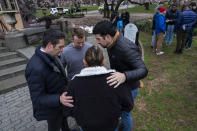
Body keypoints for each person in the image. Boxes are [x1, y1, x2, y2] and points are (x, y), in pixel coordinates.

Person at [93, 20, 148, 131]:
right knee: (119, 111)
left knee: (125, 113)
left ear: (107, 36)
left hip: (130, 87)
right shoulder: (111, 42)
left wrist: (124, 76)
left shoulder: (125, 48)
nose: (97, 42)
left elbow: (143, 70)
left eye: (98, 39)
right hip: (123, 85)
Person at [66, 45, 133, 131]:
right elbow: (128, 104)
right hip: (110, 125)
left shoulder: (74, 83)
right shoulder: (116, 78)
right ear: (103, 62)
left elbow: (68, 108)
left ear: (84, 62)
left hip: (86, 126)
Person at [25, 29, 73, 131]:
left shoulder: (52, 55)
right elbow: (37, 98)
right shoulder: (35, 68)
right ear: (50, 45)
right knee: (54, 127)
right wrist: (58, 99)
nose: (62, 50)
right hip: (52, 109)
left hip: (60, 104)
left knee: (64, 122)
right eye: (60, 47)